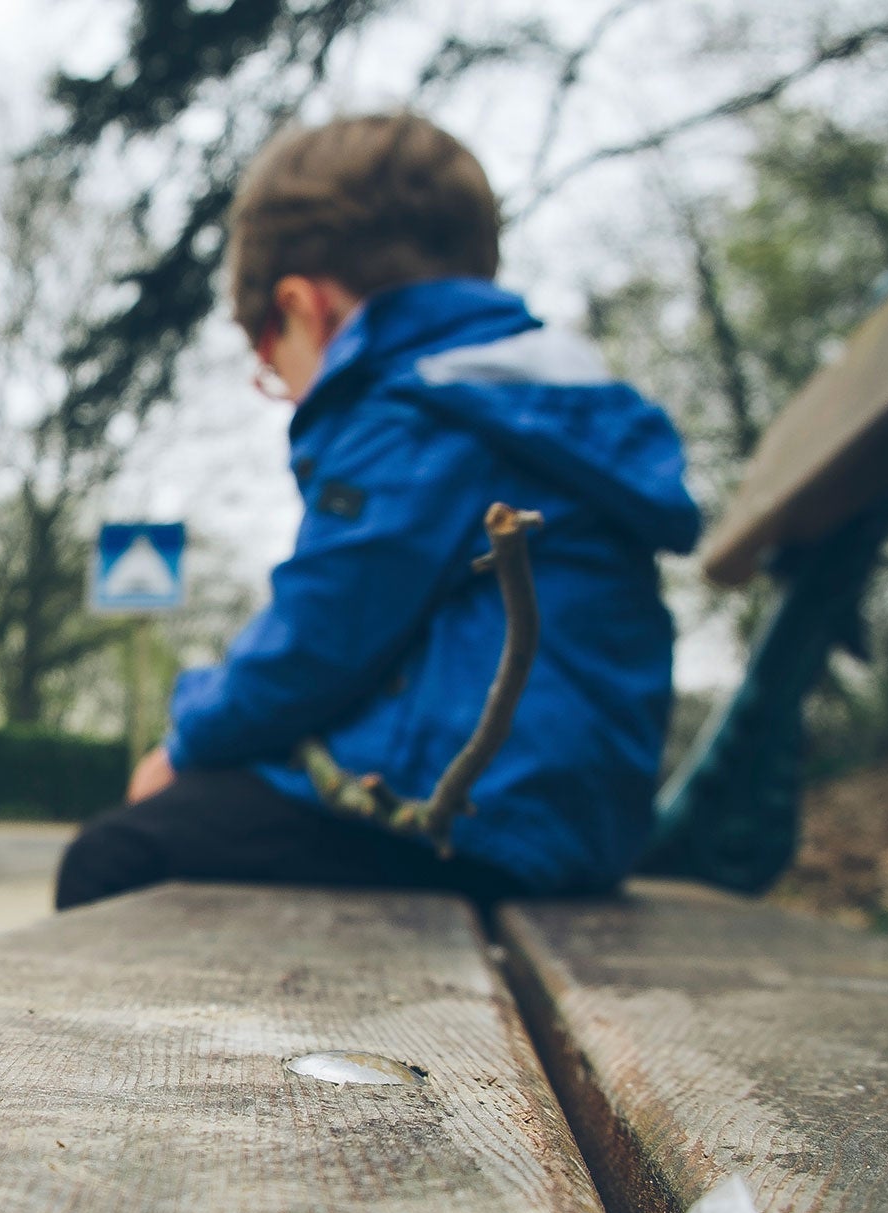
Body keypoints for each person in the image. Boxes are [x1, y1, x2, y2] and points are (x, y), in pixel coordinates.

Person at [55, 113, 700, 911]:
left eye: (271, 363)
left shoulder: (414, 412)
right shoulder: (534, 401)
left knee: (118, 856)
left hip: (467, 822)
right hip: (568, 824)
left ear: (304, 307)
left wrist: (183, 742)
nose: (285, 390)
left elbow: (318, 641)